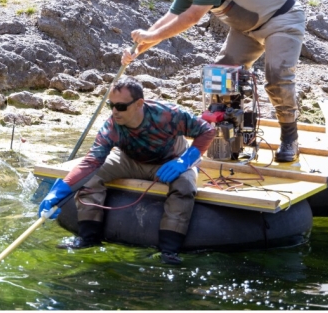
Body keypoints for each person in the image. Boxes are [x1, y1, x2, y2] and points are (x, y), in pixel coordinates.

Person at [122, 0, 306, 162]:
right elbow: (165, 22)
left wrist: (148, 37)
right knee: (221, 75)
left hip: (283, 19)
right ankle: (227, 138)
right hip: (248, 29)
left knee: (277, 77)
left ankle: (289, 138)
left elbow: (191, 18)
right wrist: (135, 51)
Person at [38, 77, 215, 264]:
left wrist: (183, 162)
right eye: (111, 105)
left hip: (171, 161)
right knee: (90, 178)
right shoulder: (111, 126)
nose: (115, 111)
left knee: (185, 186)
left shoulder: (168, 114)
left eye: (121, 107)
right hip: (129, 160)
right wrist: (59, 191)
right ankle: (88, 239)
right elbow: (91, 162)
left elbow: (206, 131)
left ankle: (169, 251)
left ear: (139, 104)